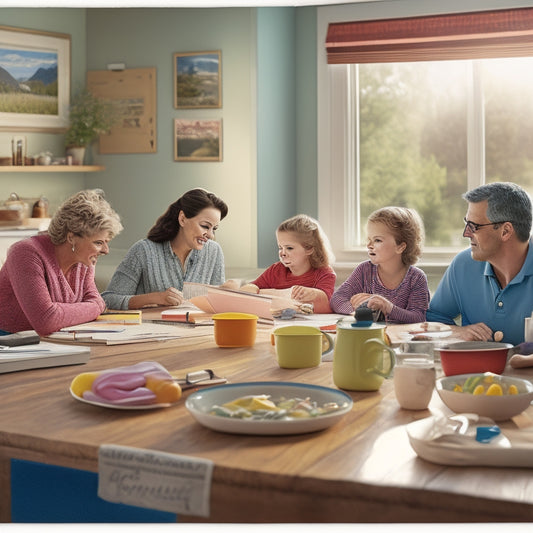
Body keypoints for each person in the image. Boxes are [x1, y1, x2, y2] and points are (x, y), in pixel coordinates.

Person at [0, 189, 123, 337]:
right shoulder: (25, 253)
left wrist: (92, 306)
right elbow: (46, 321)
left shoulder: (84, 259)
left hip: (55, 341)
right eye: (98, 243)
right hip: (10, 344)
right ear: (71, 237)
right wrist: (95, 306)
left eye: (106, 242)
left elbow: (96, 301)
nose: (105, 250)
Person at [427, 182, 533, 345]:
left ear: (505, 231)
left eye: (474, 226)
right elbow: (433, 319)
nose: (466, 233)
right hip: (474, 370)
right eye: (466, 223)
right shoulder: (463, 265)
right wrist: (459, 332)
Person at [102, 188, 228, 310]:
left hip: (198, 330)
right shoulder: (144, 251)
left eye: (214, 229)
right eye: (205, 226)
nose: (211, 235)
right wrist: (156, 298)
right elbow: (109, 299)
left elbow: (216, 305)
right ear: (182, 219)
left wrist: (228, 293)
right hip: (151, 330)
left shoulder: (214, 251)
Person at [330, 206, 430, 324]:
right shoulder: (364, 271)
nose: (369, 245)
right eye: (369, 239)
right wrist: (357, 311)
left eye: (377, 240)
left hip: (399, 339)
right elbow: (336, 299)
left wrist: (388, 308)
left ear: (400, 247)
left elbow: (419, 317)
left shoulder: (416, 278)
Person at [239, 214, 336, 314]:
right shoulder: (276, 270)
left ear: (309, 248)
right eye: (280, 247)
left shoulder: (324, 272)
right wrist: (250, 289)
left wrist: (313, 294)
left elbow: (327, 303)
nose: (282, 253)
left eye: (289, 248)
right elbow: (252, 287)